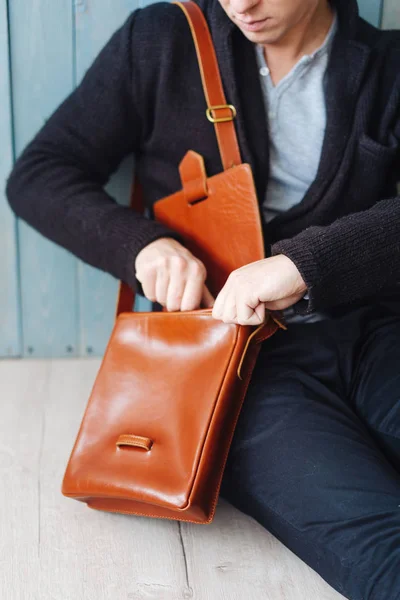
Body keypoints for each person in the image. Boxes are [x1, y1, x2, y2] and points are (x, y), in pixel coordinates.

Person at [5, 0, 400, 597]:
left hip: (377, 329)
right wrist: (144, 248)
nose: (242, 4)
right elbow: (39, 175)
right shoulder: (162, 41)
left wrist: (305, 263)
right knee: (381, 546)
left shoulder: (389, 67)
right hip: (226, 362)